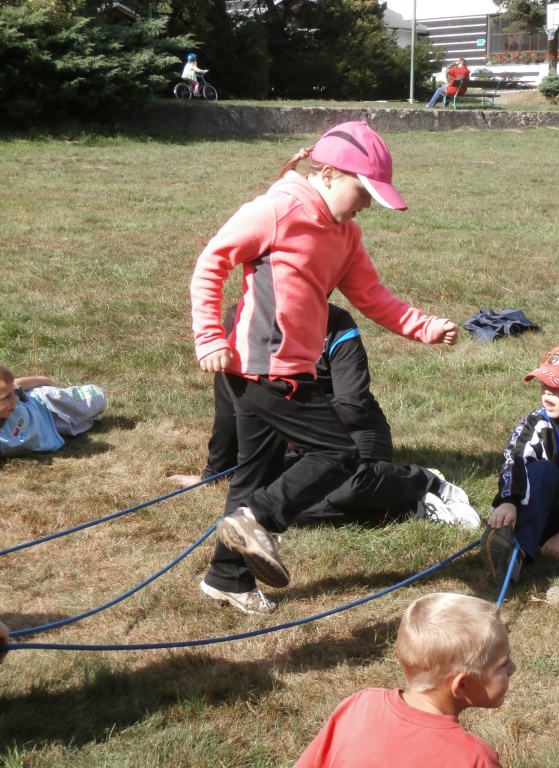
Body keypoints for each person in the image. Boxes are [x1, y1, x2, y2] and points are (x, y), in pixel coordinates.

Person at [191, 120, 461, 615]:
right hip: (264, 368)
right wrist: (209, 335)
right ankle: (260, 520)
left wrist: (424, 327)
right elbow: (212, 262)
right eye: (363, 192)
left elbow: (371, 295)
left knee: (253, 476)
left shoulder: (346, 235)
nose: (366, 206)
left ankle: (226, 577)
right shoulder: (277, 210)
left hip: (287, 369)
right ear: (331, 174)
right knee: (338, 453)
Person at [173, 303, 480, 530]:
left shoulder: (338, 324)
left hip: (353, 430)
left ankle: (425, 482)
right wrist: (215, 473)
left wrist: (293, 435)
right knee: (271, 502)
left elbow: (353, 406)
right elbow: (229, 407)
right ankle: (411, 508)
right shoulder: (240, 320)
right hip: (292, 435)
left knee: (350, 488)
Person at [294, 592, 515, 768]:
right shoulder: (475, 758)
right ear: (461, 685)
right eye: (504, 663)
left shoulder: (359, 705)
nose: (512, 668)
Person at [481, 342, 559, 588]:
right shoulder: (536, 422)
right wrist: (509, 500)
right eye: (544, 384)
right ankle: (515, 555)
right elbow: (515, 459)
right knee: (543, 471)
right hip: (542, 510)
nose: (547, 392)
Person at [0, 364, 106, 456]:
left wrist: (45, 380)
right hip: (53, 433)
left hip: (48, 405)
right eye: (6, 397)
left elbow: (18, 384)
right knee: (85, 423)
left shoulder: (7, 391)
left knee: (98, 399)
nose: (14, 400)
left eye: (13, 393)